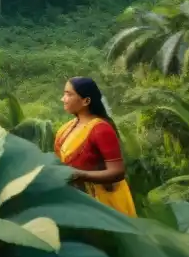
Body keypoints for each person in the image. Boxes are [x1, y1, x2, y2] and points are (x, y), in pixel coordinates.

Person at [55, 77, 137, 217]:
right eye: (64, 94)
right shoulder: (65, 129)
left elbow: (117, 172)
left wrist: (81, 175)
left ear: (86, 101)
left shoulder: (100, 129)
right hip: (76, 200)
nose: (63, 99)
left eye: (69, 94)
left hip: (101, 202)